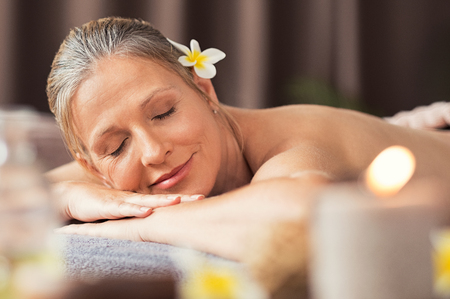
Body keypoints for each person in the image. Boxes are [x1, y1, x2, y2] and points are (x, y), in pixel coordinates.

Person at [46, 17, 450, 262]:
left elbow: (301, 217)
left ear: (204, 91)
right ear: (93, 167)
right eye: (116, 147)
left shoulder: (295, 142)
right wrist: (62, 195)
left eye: (164, 113)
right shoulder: (100, 179)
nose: (153, 152)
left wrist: (138, 227)